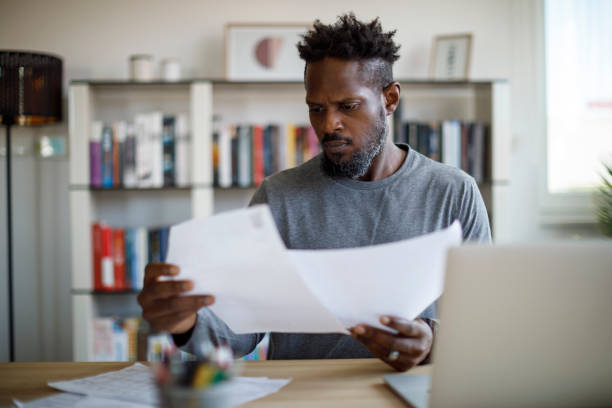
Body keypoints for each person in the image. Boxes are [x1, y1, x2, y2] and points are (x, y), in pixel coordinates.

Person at [137, 13, 490, 372]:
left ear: (390, 99)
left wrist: (431, 339)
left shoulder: (454, 192)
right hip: (301, 393)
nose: (328, 124)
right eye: (316, 109)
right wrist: (185, 323)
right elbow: (237, 335)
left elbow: (482, 325)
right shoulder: (279, 197)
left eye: (347, 107)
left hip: (413, 390)